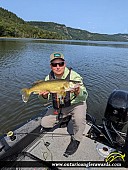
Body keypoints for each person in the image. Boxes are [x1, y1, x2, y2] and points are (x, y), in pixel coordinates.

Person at [40, 52, 88, 156]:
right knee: (45, 123)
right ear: (51, 66)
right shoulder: (48, 78)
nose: (58, 67)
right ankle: (66, 118)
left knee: (79, 120)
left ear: (64, 64)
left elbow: (84, 96)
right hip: (60, 106)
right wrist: (43, 95)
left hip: (76, 104)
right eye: (54, 64)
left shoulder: (74, 76)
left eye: (60, 64)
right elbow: (44, 99)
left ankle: (76, 140)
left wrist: (77, 91)